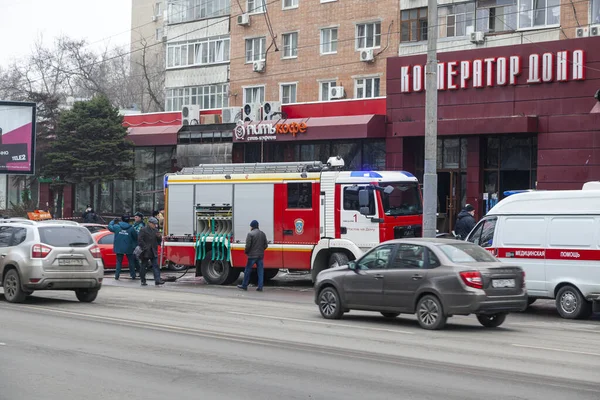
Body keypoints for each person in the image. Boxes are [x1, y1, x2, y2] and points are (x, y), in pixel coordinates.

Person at [237, 220, 268, 292]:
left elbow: (248, 246)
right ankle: (260, 287)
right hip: (260, 256)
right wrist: (261, 250)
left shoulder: (250, 234)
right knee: (260, 271)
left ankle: (244, 285)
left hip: (252, 256)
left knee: (247, 270)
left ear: (252, 226)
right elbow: (266, 245)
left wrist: (246, 252)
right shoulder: (262, 234)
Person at [108, 215, 138, 280]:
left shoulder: (117, 227)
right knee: (131, 262)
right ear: (129, 220)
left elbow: (110, 227)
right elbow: (136, 237)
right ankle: (133, 275)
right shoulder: (131, 228)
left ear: (121, 219)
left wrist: (113, 221)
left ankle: (117, 275)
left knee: (119, 262)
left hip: (119, 247)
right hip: (129, 247)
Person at [138, 217, 165, 286]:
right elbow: (140, 240)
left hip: (153, 251)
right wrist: (145, 247)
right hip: (146, 251)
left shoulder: (156, 230)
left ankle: (157, 280)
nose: (155, 225)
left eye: (155, 224)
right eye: (154, 224)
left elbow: (159, 241)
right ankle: (143, 280)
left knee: (155, 266)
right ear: (149, 223)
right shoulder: (143, 230)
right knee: (143, 266)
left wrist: (159, 237)